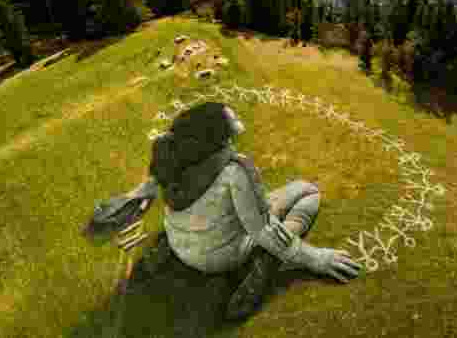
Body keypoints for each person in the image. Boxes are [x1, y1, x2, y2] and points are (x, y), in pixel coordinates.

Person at [123, 101, 362, 320]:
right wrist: (315, 258)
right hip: (222, 257)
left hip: (180, 246)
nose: (239, 122)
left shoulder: (165, 152)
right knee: (307, 191)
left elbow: (145, 194)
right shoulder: (236, 170)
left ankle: (170, 247)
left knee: (225, 209)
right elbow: (263, 230)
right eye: (232, 120)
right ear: (219, 136)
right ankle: (266, 263)